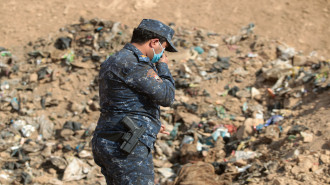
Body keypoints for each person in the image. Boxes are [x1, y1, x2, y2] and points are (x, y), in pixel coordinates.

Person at [91, 19, 177, 185]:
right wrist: (162, 66)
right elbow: (167, 96)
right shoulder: (135, 64)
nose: (163, 54)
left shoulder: (114, 59)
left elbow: (122, 102)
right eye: (163, 49)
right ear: (154, 42)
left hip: (110, 138)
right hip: (126, 145)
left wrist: (150, 123)